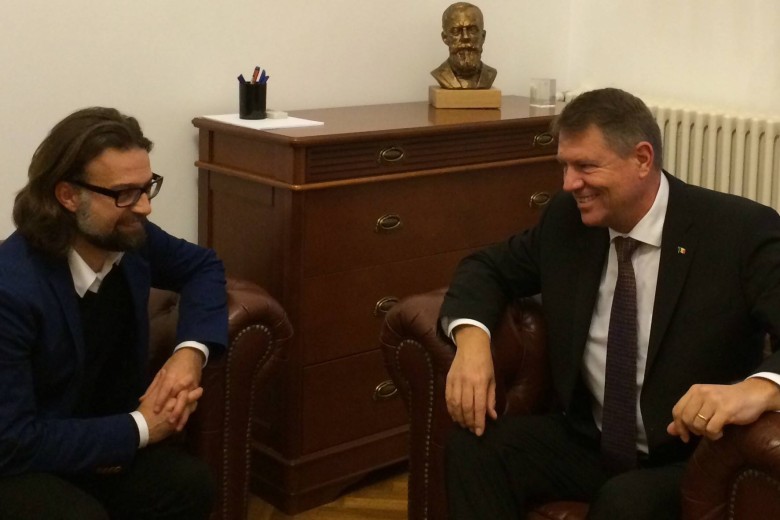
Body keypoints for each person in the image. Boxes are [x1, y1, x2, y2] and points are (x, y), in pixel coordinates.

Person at [441, 87, 780, 519]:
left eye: (585, 166)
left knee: (624, 502)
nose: (569, 184)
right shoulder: (567, 220)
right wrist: (472, 344)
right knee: (474, 447)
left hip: (689, 456)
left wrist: (758, 389)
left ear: (642, 159)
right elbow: (486, 267)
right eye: (564, 166)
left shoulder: (738, 232)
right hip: (589, 439)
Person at [0, 107, 228, 519]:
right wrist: (141, 427)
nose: (144, 208)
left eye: (147, 187)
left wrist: (190, 354)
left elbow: (203, 266)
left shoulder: (130, 238)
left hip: (104, 434)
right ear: (68, 196)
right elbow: (13, 440)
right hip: (27, 458)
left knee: (190, 484)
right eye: (124, 193)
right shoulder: (11, 289)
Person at [431, 2, 497, 89]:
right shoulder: (440, 74)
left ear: (483, 36)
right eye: (456, 31)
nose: (465, 37)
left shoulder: (490, 74)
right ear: (445, 38)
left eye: (472, 30)